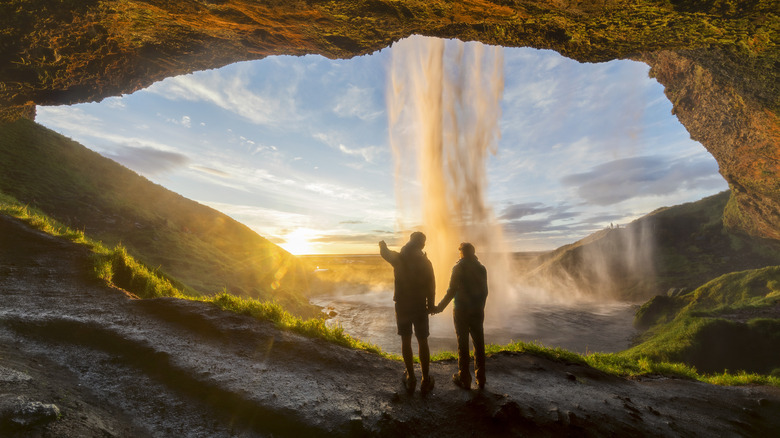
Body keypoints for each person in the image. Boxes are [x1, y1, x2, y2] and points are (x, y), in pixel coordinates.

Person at [379, 232, 436, 395]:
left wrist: (382, 245)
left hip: (402, 305)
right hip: (420, 305)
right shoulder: (426, 262)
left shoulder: (399, 258)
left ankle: (411, 377)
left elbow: (385, 253)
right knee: (423, 340)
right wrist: (431, 305)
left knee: (406, 339)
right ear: (422, 244)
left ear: (410, 241)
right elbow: (431, 285)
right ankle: (425, 379)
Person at [434, 242, 488, 390]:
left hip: (461, 310)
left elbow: (452, 290)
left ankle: (464, 378)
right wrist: (480, 307)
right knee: (479, 343)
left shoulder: (458, 267)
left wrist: (439, 307)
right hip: (477, 310)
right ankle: (481, 378)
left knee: (462, 343)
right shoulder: (481, 268)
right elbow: (485, 291)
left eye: (460, 253)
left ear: (462, 253)